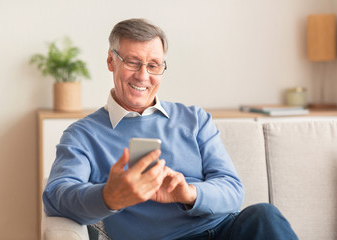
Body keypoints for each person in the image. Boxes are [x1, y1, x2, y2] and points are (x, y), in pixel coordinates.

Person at [43, 18, 298, 240]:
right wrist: (110, 196)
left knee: (265, 215)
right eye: (132, 62)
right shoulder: (83, 135)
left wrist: (189, 194)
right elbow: (56, 196)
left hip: (224, 231)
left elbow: (232, 190)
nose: (143, 76)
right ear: (111, 61)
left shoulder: (195, 119)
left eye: (153, 65)